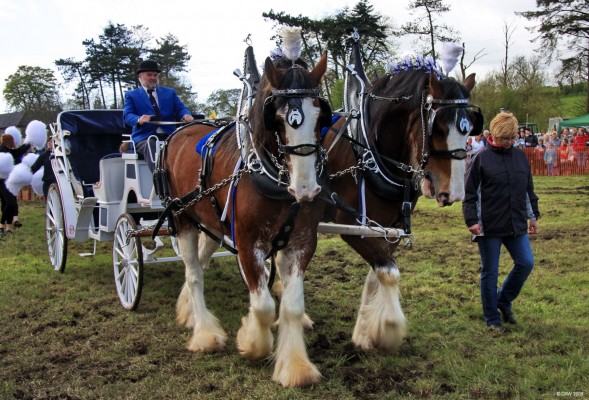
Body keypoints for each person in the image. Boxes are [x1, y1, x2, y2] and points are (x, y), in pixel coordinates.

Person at [462, 112, 540, 331]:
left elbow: (527, 189)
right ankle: (492, 318)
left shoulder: (520, 157)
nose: (509, 142)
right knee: (491, 271)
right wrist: (472, 220)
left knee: (526, 263)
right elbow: (470, 193)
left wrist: (532, 216)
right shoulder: (480, 158)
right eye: (504, 138)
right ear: (494, 136)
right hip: (488, 226)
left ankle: (503, 301)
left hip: (516, 223)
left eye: (512, 138)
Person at [123, 60, 194, 171]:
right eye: (149, 75)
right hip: (145, 137)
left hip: (169, 135)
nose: (153, 77)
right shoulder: (131, 95)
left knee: (189, 143)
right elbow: (127, 116)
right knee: (151, 145)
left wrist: (186, 115)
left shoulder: (170, 92)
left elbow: (181, 108)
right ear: (140, 76)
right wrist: (139, 119)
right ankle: (160, 180)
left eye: (155, 75)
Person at [0, 134, 32, 236]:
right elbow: (18, 152)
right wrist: (29, 143)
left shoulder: (8, 150)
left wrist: (29, 143)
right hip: (2, 181)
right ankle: (1, 226)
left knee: (8, 204)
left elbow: (18, 152)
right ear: (9, 141)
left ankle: (8, 228)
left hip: (10, 180)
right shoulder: (3, 150)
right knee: (9, 203)